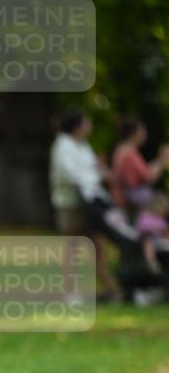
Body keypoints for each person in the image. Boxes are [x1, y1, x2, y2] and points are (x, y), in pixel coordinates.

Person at [49, 109, 126, 301]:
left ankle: (111, 289)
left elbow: (92, 169)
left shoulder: (83, 146)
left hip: (89, 204)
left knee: (97, 246)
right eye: (87, 122)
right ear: (77, 126)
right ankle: (70, 291)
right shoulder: (63, 146)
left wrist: (101, 173)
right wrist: (93, 176)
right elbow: (70, 173)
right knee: (73, 247)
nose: (89, 126)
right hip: (70, 204)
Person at [110, 117, 169, 213]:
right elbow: (149, 177)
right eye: (142, 132)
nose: (145, 135)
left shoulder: (122, 149)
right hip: (132, 197)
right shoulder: (129, 153)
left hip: (127, 195)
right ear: (134, 133)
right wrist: (162, 160)